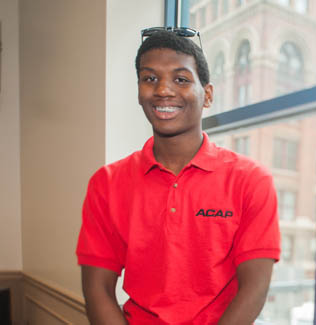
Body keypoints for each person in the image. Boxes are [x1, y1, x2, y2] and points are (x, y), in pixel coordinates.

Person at [76, 29, 281, 324]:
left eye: (181, 79)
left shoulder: (250, 180)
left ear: (207, 94)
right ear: (139, 91)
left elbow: (254, 288)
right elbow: (97, 289)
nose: (163, 90)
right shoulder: (106, 183)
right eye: (150, 78)